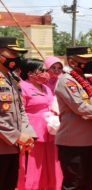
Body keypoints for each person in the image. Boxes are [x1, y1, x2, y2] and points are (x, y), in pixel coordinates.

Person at [55, 46, 92, 190]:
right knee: (74, 184)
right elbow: (80, 107)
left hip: (91, 141)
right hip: (73, 143)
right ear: (72, 62)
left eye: (90, 59)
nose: (89, 63)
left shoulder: (87, 81)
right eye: (85, 60)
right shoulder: (67, 81)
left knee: (88, 182)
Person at [17, 59, 62, 190]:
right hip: (33, 133)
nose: (45, 73)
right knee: (33, 166)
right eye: (41, 70)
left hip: (50, 130)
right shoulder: (22, 87)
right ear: (30, 73)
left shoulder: (46, 87)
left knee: (52, 164)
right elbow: (20, 111)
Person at [0, 37, 35, 190]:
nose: (15, 57)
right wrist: (17, 136)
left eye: (17, 53)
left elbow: (21, 109)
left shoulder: (13, 78)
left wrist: (27, 133)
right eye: (12, 53)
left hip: (13, 147)